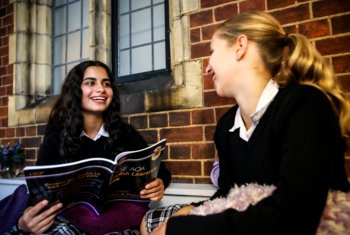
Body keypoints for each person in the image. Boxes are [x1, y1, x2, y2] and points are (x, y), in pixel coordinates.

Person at [140, 10, 350, 235]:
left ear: (240, 46)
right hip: (254, 218)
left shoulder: (306, 105)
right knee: (150, 222)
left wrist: (179, 229)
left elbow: (292, 216)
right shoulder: (226, 126)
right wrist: (191, 210)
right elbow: (230, 195)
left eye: (212, 52)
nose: (207, 67)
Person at [8, 60, 171, 234]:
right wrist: (25, 222)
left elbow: (160, 172)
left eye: (106, 84)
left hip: (124, 221)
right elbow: (40, 199)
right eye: (90, 83)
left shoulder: (126, 134)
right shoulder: (54, 142)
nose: (101, 89)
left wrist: (159, 182)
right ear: (75, 91)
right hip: (74, 226)